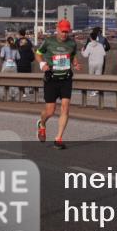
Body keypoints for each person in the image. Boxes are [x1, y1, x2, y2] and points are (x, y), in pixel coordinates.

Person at [35, 19, 81, 149]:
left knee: (65, 107)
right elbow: (38, 54)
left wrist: (75, 63)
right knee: (50, 110)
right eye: (62, 31)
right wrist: (42, 64)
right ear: (58, 29)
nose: (64, 34)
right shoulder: (49, 41)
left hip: (66, 78)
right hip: (51, 78)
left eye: (67, 32)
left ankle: (58, 138)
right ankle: (42, 123)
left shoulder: (72, 43)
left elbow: (72, 56)